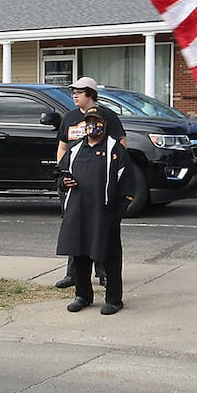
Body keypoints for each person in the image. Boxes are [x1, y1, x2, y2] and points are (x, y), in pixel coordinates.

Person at [57, 110, 135, 315]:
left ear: (104, 124)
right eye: (89, 122)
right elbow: (60, 177)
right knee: (80, 254)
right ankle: (82, 295)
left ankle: (114, 299)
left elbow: (128, 186)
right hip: (78, 212)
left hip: (104, 213)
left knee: (109, 256)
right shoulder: (75, 149)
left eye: (96, 121)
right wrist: (64, 182)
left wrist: (115, 214)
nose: (92, 125)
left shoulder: (115, 150)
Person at [53, 77, 125, 289]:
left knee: (99, 230)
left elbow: (120, 145)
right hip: (75, 186)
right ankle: (73, 274)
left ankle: (102, 273)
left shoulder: (107, 116)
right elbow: (63, 147)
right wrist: (64, 172)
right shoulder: (70, 117)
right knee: (75, 229)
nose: (74, 95)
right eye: (73, 92)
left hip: (98, 185)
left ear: (90, 94)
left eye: (79, 92)